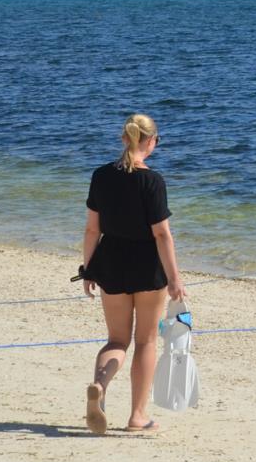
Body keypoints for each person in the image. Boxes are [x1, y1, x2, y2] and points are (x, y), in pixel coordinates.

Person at [79, 113, 187, 435]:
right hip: (146, 266)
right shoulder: (151, 181)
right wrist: (175, 278)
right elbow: (162, 235)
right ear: (151, 142)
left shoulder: (101, 176)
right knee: (146, 341)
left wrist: (88, 269)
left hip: (111, 262)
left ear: (124, 138)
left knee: (116, 339)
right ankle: (137, 416)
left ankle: (100, 384)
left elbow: (91, 229)